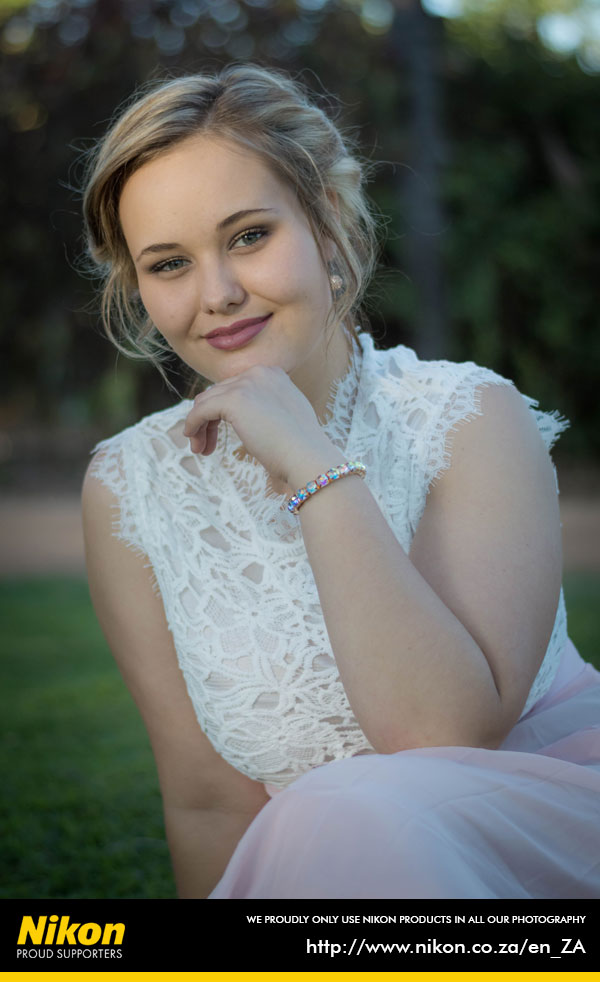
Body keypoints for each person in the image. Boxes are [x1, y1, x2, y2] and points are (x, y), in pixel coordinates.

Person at [81, 63, 600, 900]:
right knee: (336, 822)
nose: (217, 294)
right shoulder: (127, 485)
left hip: (543, 842)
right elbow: (208, 801)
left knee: (351, 810)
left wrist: (314, 464)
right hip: (334, 889)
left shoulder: (470, 416)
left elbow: (440, 734)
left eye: (249, 236)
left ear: (325, 222)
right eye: (169, 263)